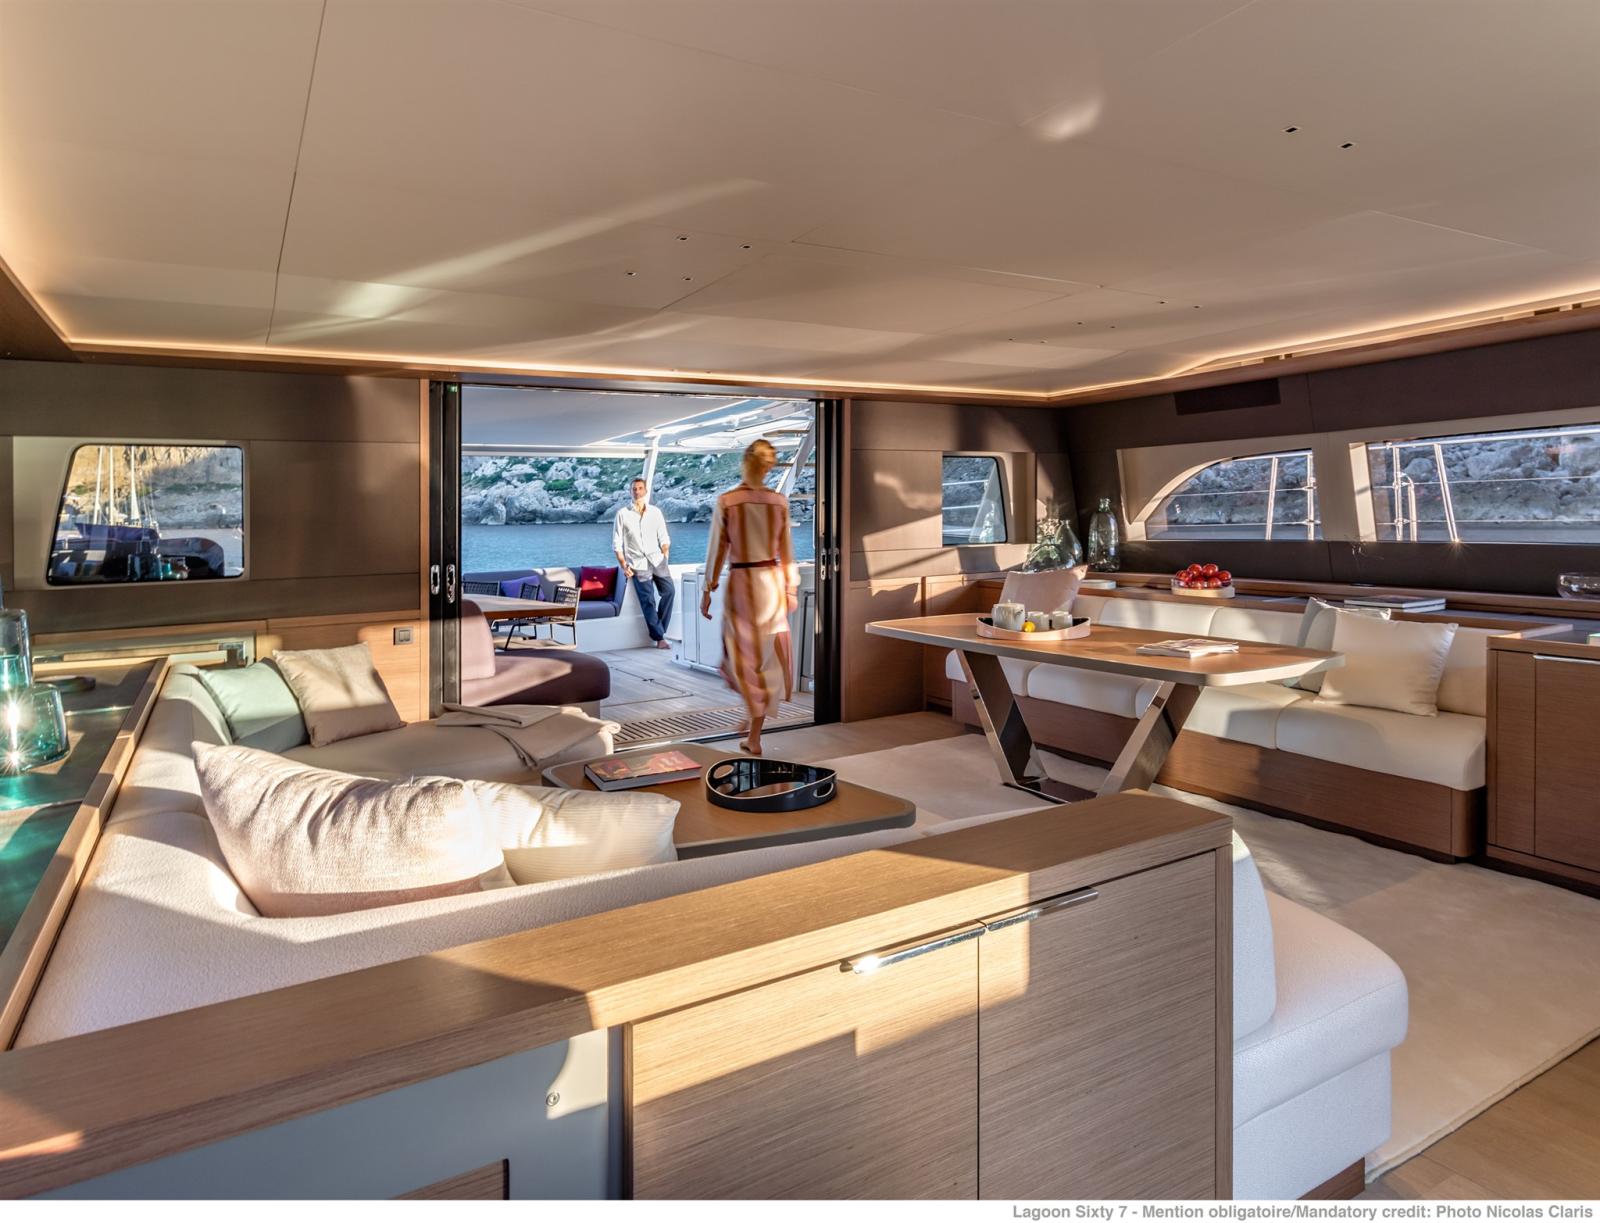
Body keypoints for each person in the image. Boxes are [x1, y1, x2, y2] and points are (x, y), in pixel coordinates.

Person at [701, 438, 798, 756]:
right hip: (771, 584)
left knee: (740, 656)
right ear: (768, 467)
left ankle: (753, 731)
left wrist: (707, 589)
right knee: (765, 658)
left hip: (742, 584)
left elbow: (717, 550)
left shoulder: (729, 501)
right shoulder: (778, 502)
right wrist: (790, 588)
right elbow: (787, 553)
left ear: (745, 462)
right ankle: (753, 726)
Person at [612, 476, 674, 650]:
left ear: (646, 491)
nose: (637, 491)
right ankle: (660, 637)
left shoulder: (655, 512)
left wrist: (665, 553)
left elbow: (663, 536)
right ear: (630, 491)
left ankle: (660, 629)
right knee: (648, 601)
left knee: (669, 592)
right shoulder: (622, 514)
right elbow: (617, 543)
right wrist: (624, 564)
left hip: (657, 560)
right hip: (637, 564)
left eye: (640, 488)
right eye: (634, 489)